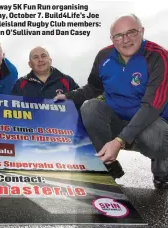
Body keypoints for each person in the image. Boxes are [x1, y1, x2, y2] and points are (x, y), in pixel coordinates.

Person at [54, 14, 168, 189]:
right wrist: (68, 96)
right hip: (117, 121)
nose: (125, 40)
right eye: (119, 36)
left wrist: (119, 141)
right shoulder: (103, 56)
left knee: (158, 138)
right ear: (112, 39)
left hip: (151, 123)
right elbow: (92, 88)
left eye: (131, 33)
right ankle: (108, 165)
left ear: (142, 31)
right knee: (90, 107)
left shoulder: (158, 56)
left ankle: (162, 169)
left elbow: (152, 106)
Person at [11, 46, 79, 99]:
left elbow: (80, 103)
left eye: (43, 56)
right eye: (35, 57)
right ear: (30, 64)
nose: (40, 60)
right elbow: (13, 108)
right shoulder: (20, 84)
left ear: (50, 60)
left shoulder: (67, 81)